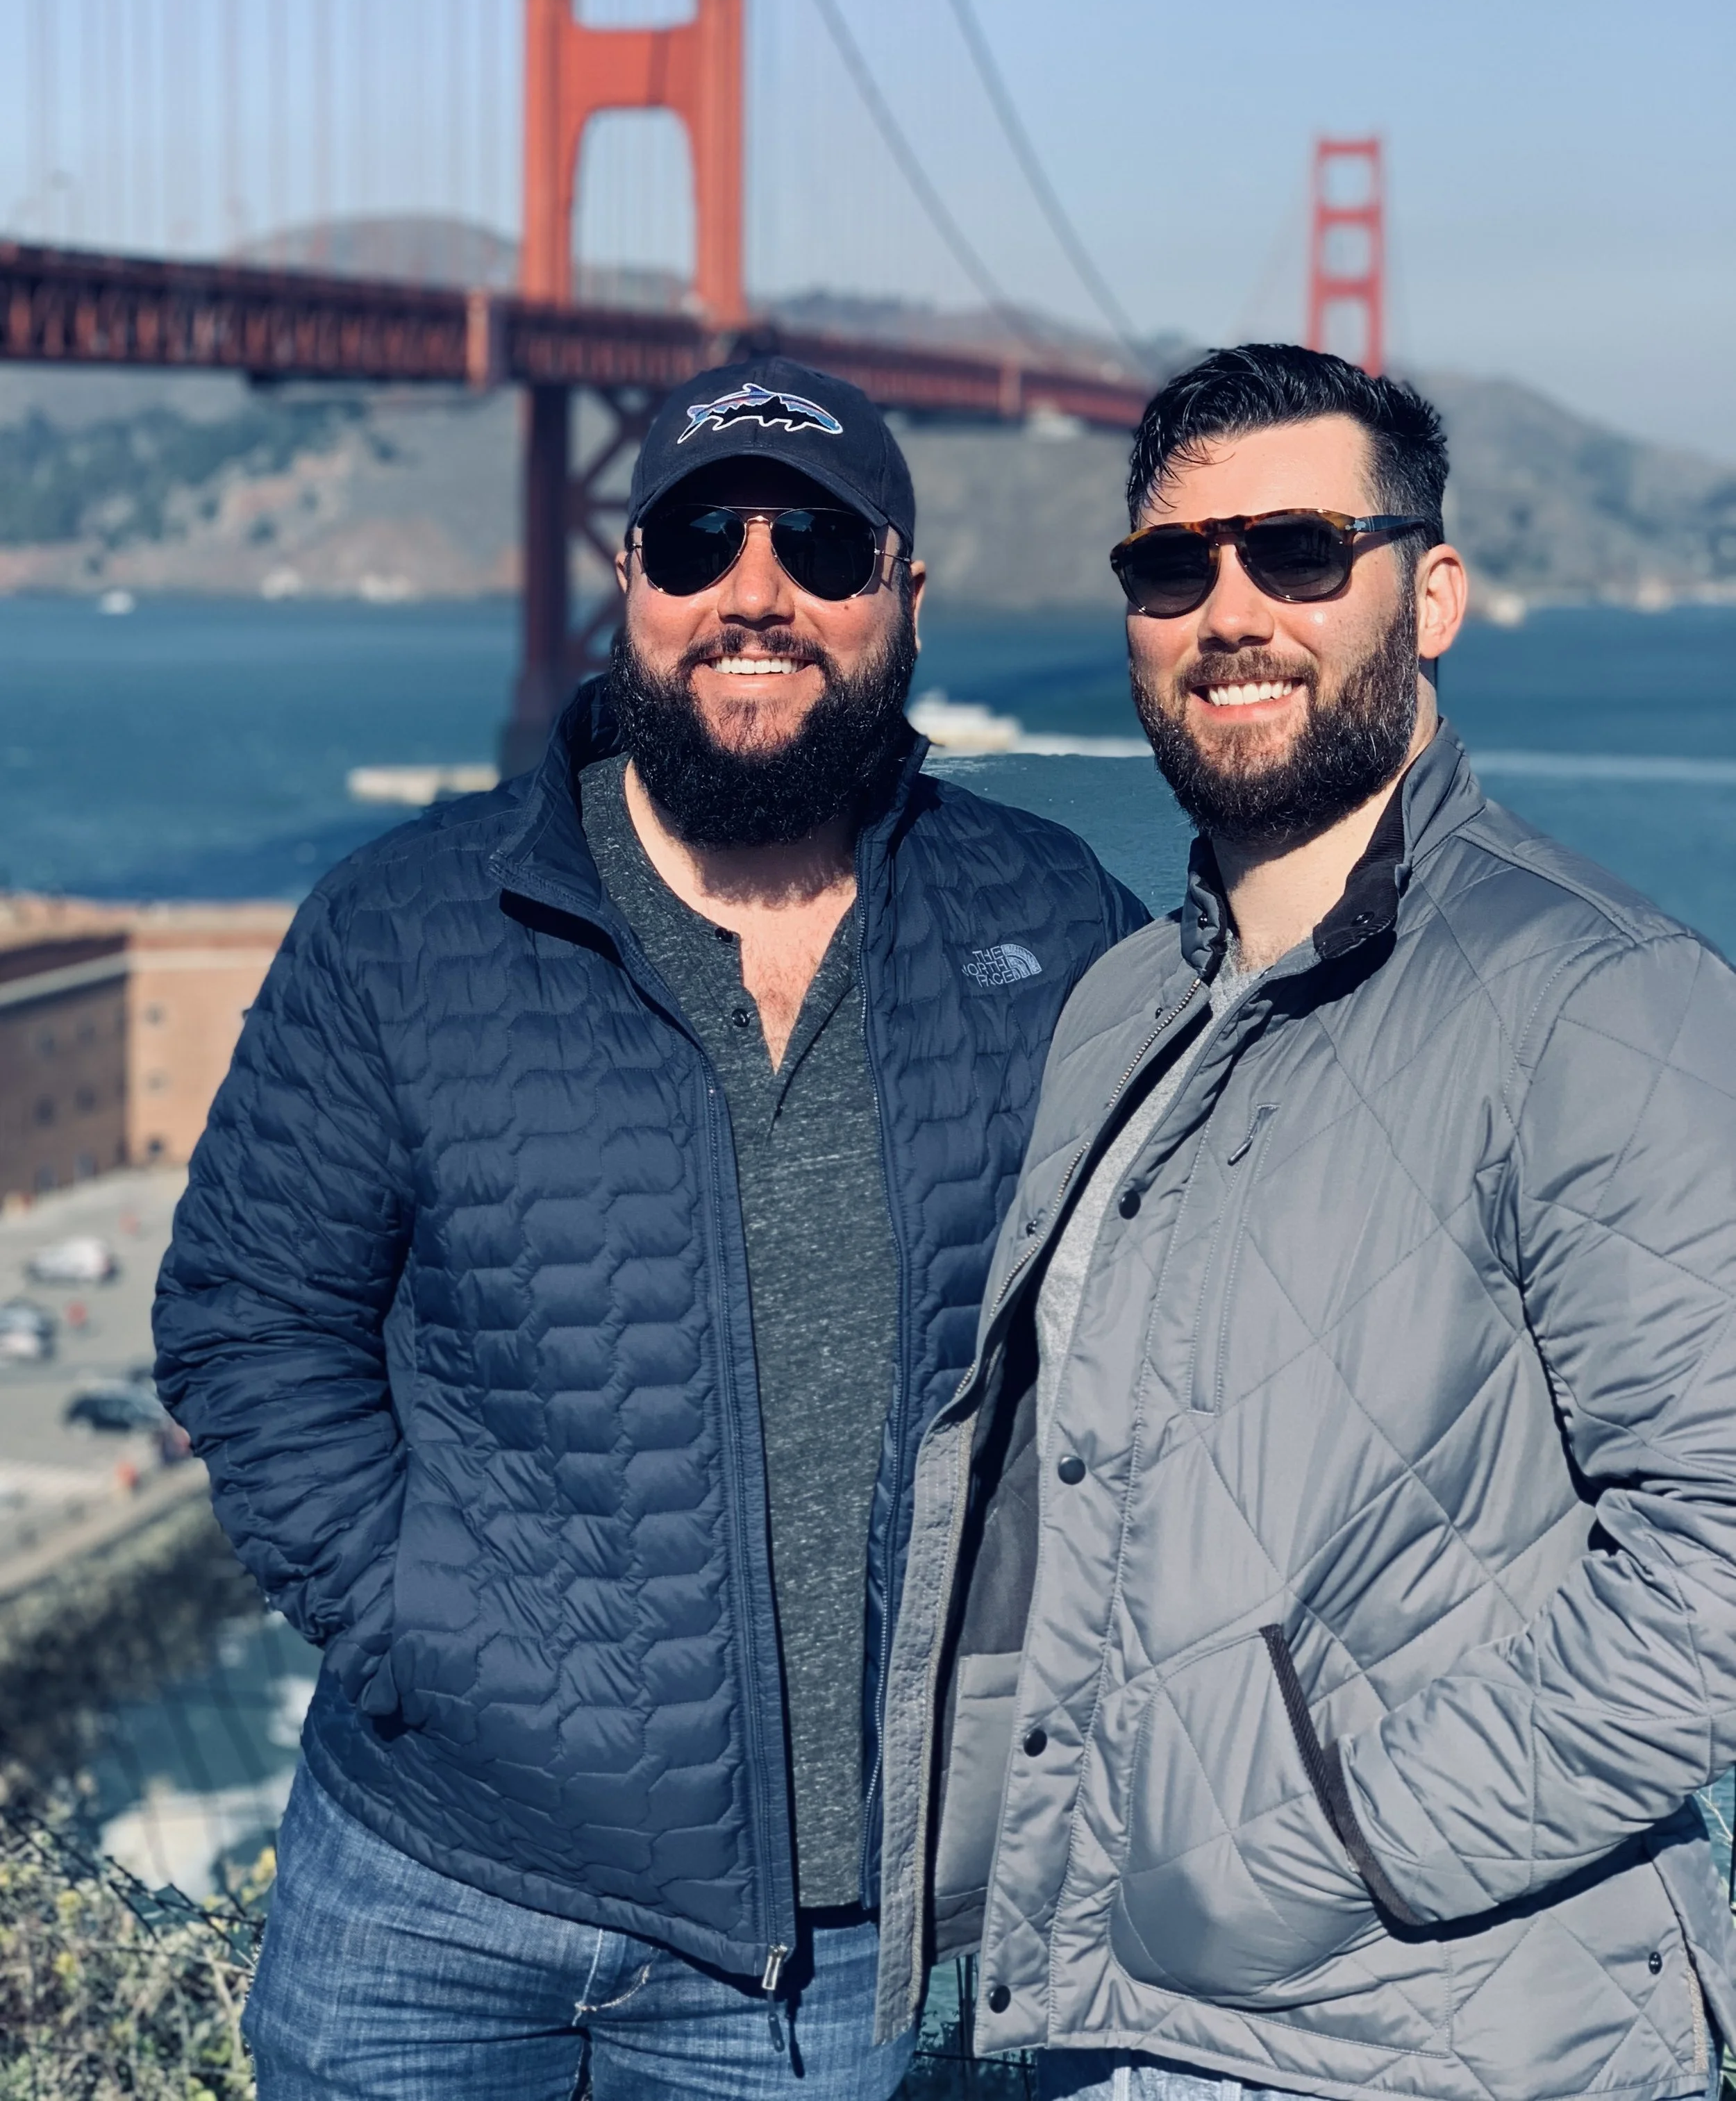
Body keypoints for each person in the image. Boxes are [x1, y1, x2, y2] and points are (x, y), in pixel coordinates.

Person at [153, 353, 1147, 2100]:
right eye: (697, 537)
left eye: (820, 547)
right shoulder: (403, 928)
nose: (752, 590)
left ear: (905, 597)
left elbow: (1184, 1300)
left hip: (833, 1952)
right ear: (627, 581)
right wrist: (419, 1628)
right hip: (428, 1894)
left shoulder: (1049, 918)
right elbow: (249, 1322)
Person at [871, 344, 1736, 2101]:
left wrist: (1331, 1855)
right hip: (1111, 2021)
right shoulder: (1121, 1002)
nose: (1230, 609)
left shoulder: (1601, 999)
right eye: (1171, 566)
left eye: (1297, 553)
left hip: (1437, 2038)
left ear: (1429, 594)